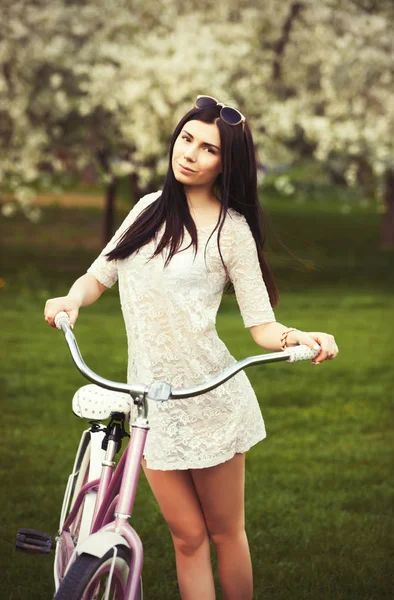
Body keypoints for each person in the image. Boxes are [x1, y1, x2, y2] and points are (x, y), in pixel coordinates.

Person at [44, 95, 339, 600]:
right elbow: (100, 275)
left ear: (228, 164)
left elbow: (261, 325)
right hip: (150, 405)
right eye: (186, 139)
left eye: (209, 149)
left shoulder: (232, 231)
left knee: (225, 533)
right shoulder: (146, 210)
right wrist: (71, 298)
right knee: (187, 538)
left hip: (210, 400)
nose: (191, 154)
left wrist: (298, 338)